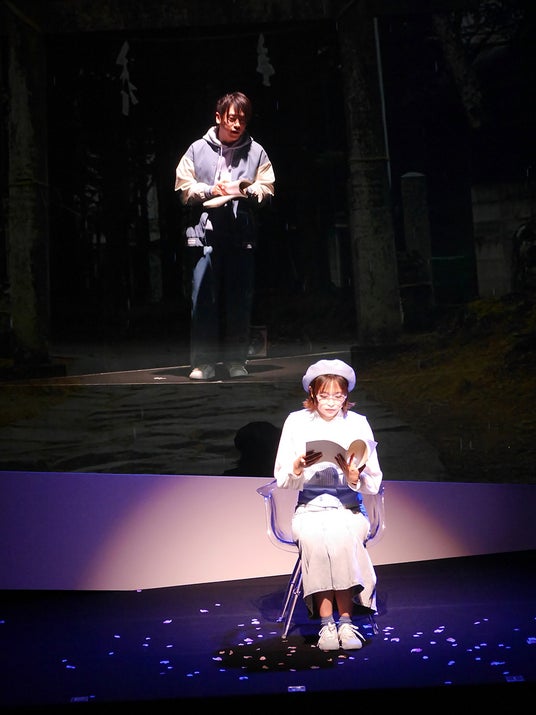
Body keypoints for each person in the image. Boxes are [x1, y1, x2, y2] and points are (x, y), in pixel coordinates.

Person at [273, 358, 383, 651]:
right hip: (309, 508)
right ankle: (326, 625)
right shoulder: (296, 421)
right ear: (312, 393)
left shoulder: (358, 423)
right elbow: (281, 479)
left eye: (339, 396)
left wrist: (355, 477)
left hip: (349, 509)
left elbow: (374, 483)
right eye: (324, 396)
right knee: (315, 540)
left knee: (342, 537)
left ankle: (346, 622)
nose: (332, 402)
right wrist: (297, 468)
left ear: (347, 396)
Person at [175, 91, 275, 380]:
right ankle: (203, 363)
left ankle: (236, 361)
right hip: (204, 235)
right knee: (203, 300)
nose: (237, 124)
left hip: (240, 235)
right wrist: (210, 190)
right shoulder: (197, 149)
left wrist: (253, 191)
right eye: (231, 118)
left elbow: (267, 185)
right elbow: (183, 187)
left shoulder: (256, 151)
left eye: (242, 119)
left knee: (239, 300)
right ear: (218, 117)